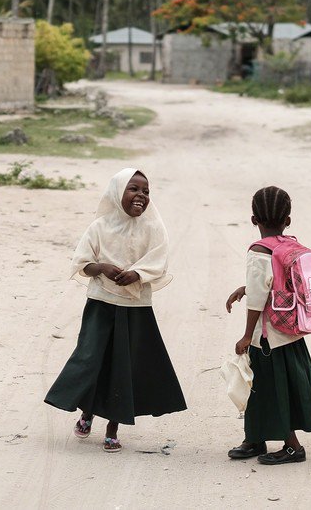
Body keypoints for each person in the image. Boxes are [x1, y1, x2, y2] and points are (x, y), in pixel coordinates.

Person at [45, 168, 186, 452]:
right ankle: (87, 412)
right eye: (133, 189)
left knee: (124, 366)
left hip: (135, 307)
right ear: (116, 192)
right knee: (92, 358)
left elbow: (158, 260)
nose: (141, 196)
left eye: (146, 191)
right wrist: (103, 268)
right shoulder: (99, 226)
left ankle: (113, 426)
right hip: (101, 303)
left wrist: (137, 274)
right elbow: (83, 262)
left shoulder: (153, 227)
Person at [225, 186, 311, 465]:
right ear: (287, 220)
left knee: (269, 388)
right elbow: (273, 283)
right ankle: (255, 438)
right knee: (267, 387)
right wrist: (246, 287)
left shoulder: (258, 251)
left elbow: (257, 298)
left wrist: (246, 336)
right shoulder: (288, 245)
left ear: (254, 219)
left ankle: (293, 446)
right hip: (290, 329)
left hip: (267, 338)